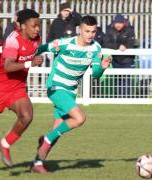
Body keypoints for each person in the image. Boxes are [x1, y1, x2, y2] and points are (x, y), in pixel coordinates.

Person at [30, 15, 111, 173]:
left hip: (70, 92)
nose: (90, 35)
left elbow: (95, 74)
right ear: (80, 30)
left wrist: (102, 67)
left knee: (56, 132)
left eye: (93, 32)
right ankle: (45, 140)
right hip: (56, 87)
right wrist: (30, 57)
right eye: (87, 31)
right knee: (80, 118)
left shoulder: (95, 49)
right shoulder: (65, 43)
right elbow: (43, 48)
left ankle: (37, 163)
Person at [0, 9, 43, 167]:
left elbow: (36, 50)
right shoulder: (13, 40)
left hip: (17, 88)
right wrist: (30, 63)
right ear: (23, 26)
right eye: (34, 25)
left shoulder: (36, 39)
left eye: (39, 25)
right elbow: (8, 66)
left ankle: (4, 144)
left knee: (27, 116)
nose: (38, 29)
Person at [104, 13, 135, 97]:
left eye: (120, 23)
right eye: (116, 23)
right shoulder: (110, 30)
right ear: (114, 23)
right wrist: (118, 46)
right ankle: (119, 98)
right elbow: (106, 43)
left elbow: (131, 43)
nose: (118, 25)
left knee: (127, 80)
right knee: (118, 80)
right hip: (116, 60)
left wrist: (125, 46)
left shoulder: (130, 30)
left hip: (128, 60)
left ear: (123, 23)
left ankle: (127, 98)